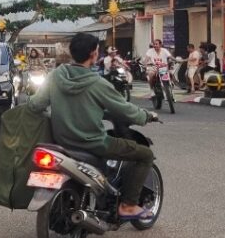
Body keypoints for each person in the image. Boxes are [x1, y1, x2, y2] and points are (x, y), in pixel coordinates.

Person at [29, 32, 159, 219]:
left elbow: (35, 105)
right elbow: (125, 109)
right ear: (93, 54)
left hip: (62, 142)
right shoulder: (97, 83)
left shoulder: (56, 76)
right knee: (145, 154)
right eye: (97, 50)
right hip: (94, 143)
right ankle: (129, 206)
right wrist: (146, 116)